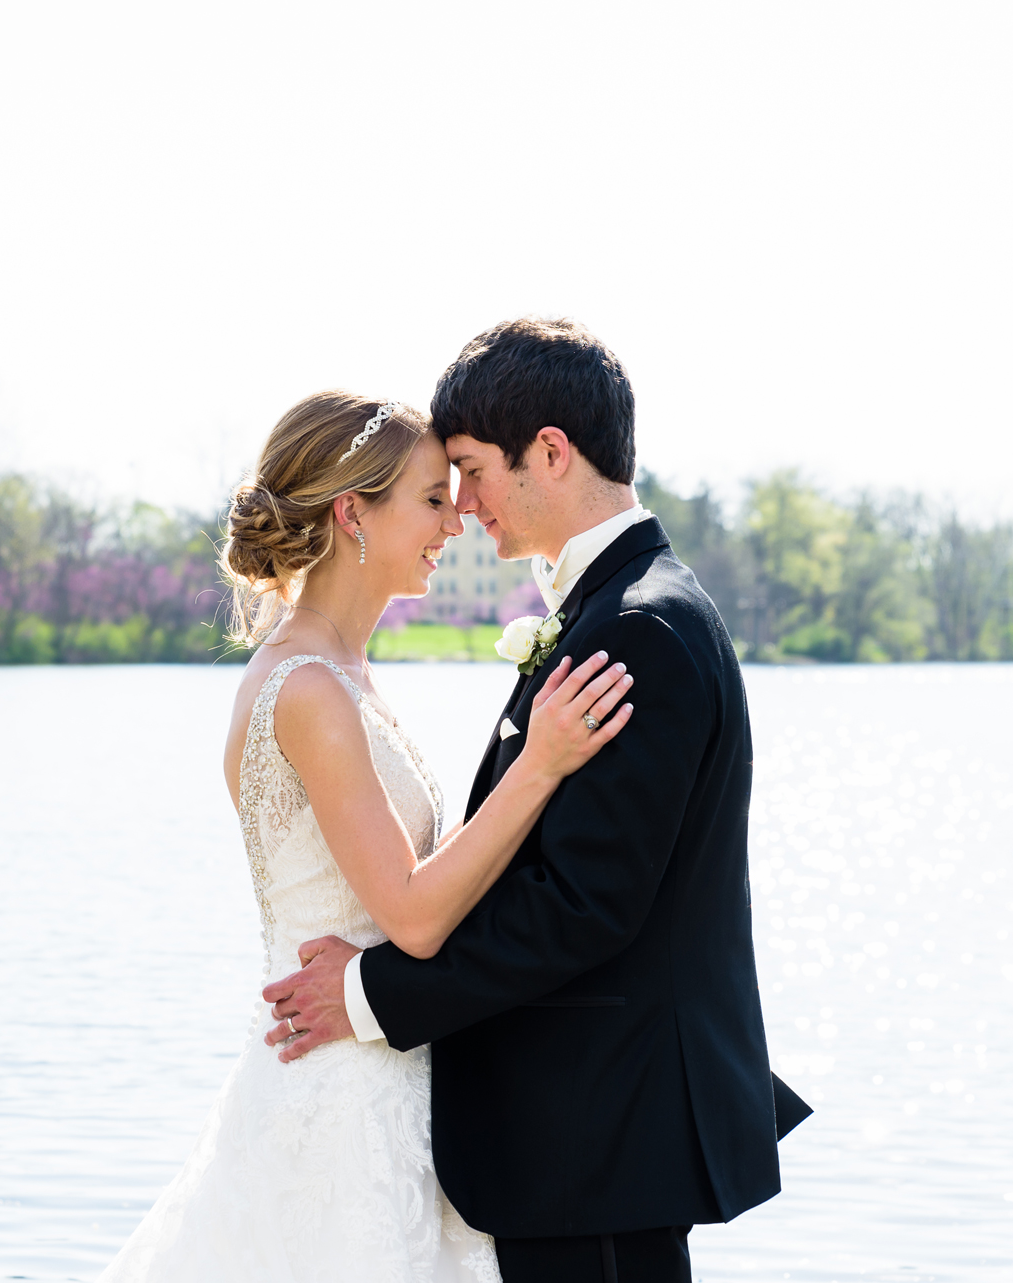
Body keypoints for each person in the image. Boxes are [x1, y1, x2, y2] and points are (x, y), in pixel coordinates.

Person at [262, 318, 808, 1282]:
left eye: (469, 470)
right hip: (585, 1135)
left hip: (599, 1130)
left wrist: (366, 994)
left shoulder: (638, 628)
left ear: (549, 452)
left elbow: (581, 906)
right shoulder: (621, 608)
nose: (463, 505)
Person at [98, 390, 637, 1281]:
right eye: (432, 498)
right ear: (353, 510)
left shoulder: (346, 672)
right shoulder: (307, 688)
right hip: (335, 1098)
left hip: (386, 1075)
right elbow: (416, 915)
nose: (455, 520)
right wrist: (540, 763)